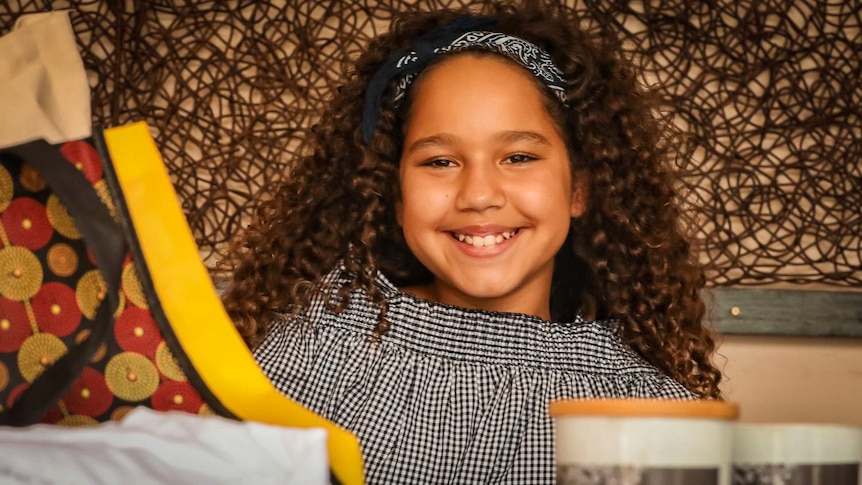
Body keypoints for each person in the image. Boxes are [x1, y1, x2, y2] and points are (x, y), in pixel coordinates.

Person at [221, 1, 723, 482]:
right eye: (440, 162)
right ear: (393, 194)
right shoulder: (315, 343)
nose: (479, 195)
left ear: (580, 189)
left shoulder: (652, 410)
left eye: (519, 157)